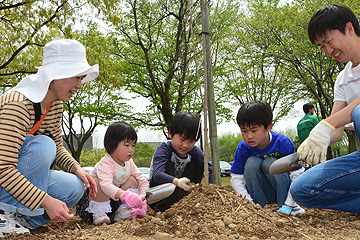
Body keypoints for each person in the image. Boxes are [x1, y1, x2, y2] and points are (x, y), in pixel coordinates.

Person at [0, 39, 98, 235]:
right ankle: (3, 214)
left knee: (74, 186)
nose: (79, 85)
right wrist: (45, 201)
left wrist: (77, 168)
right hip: (4, 175)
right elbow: (3, 167)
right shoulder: (18, 105)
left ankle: (19, 221)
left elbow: (58, 146)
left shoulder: (55, 105)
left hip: (12, 183)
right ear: (55, 75)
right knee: (43, 145)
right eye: (76, 77)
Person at [290, 4, 360, 214]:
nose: (328, 51)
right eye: (322, 47)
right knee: (302, 189)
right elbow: (335, 129)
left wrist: (327, 124)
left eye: (329, 41)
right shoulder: (342, 79)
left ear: (349, 28)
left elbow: (336, 120)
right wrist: (311, 144)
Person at [230, 101, 305, 216]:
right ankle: (258, 206)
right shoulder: (243, 148)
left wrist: (289, 204)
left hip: (283, 193)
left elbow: (297, 175)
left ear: (269, 127)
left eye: (254, 130)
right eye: (244, 131)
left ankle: (286, 207)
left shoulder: (282, 143)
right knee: (252, 162)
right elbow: (236, 178)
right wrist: (248, 203)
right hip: (261, 194)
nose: (249, 136)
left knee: (270, 163)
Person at [76, 121, 149, 225]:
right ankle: (99, 214)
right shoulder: (106, 163)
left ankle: (123, 212)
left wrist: (142, 198)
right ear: (111, 145)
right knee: (100, 183)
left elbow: (142, 179)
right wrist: (126, 196)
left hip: (112, 203)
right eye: (127, 145)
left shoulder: (129, 163)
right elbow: (106, 186)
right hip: (91, 205)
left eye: (133, 145)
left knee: (133, 179)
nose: (131, 150)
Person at [149, 111, 213, 212]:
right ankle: (160, 209)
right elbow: (158, 175)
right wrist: (177, 182)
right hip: (160, 193)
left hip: (182, 193)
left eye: (191, 141)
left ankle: (188, 203)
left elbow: (210, 170)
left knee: (198, 164)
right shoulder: (164, 149)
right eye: (182, 140)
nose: (185, 145)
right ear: (170, 133)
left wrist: (211, 190)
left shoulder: (195, 152)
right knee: (168, 168)